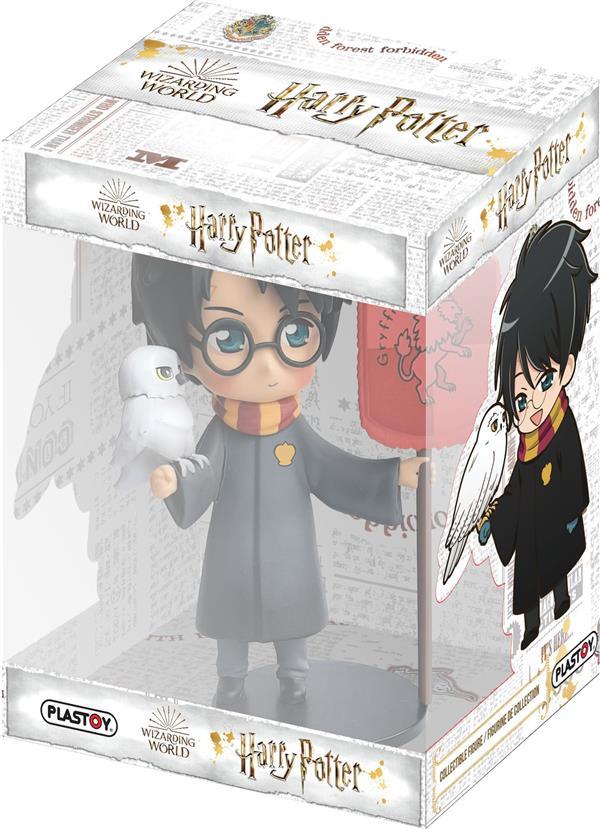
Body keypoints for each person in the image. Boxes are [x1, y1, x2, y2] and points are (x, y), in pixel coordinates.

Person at [131, 255, 428, 704]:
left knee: (293, 616)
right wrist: (176, 479)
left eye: (296, 334)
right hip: (232, 551)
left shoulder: (296, 433)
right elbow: (203, 470)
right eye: (229, 339)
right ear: (185, 354)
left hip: (291, 551)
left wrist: (393, 474)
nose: (269, 367)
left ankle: (295, 676)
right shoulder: (223, 434)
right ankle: (231, 677)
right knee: (230, 619)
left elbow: (333, 470)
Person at [478, 221, 596, 650]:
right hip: (531, 524)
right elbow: (513, 489)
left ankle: (563, 601)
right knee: (529, 578)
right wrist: (492, 522)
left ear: (566, 370)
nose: (531, 408)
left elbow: (576, 466)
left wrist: (575, 508)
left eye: (544, 382)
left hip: (557, 514)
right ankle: (531, 626)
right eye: (520, 399)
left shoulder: (563, 425)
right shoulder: (525, 447)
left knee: (557, 563)